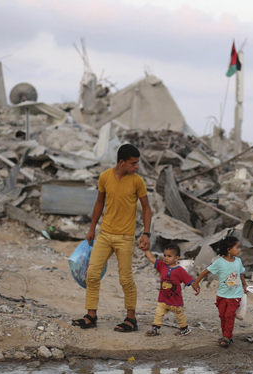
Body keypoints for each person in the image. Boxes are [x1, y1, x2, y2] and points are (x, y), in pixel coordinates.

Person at [72, 144, 152, 332]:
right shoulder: (105, 177)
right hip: (105, 235)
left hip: (125, 237)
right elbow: (99, 203)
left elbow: (147, 208)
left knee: (125, 279)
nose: (136, 167)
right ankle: (91, 316)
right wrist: (92, 228)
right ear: (122, 162)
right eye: (133, 163)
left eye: (137, 163)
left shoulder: (137, 181)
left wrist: (146, 233)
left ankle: (131, 319)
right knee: (92, 275)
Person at [193, 236, 247, 348]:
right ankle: (225, 335)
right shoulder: (219, 263)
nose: (239, 250)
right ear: (228, 249)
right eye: (237, 247)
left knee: (229, 315)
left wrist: (245, 284)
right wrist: (196, 282)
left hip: (235, 295)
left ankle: (227, 337)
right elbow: (206, 272)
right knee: (223, 316)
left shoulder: (238, 261)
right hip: (222, 295)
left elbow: (241, 273)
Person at [141, 243, 198, 336]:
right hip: (163, 299)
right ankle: (155, 329)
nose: (166, 258)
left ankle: (184, 329)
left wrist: (195, 286)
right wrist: (146, 250)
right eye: (165, 255)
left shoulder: (180, 271)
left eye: (169, 256)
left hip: (175, 300)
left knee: (179, 315)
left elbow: (189, 280)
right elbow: (152, 259)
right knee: (158, 314)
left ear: (176, 258)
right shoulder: (162, 266)